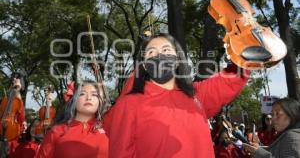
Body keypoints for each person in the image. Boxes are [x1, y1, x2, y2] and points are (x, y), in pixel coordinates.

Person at [109, 31, 250, 158]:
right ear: (144, 65)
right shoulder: (129, 104)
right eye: (151, 52)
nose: (159, 55)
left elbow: (234, 78)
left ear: (177, 60)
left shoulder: (197, 94)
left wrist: (244, 44)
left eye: (166, 50)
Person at [36, 81, 109, 158]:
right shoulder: (57, 131)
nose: (89, 98)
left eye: (94, 94)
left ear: (100, 101)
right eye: (82, 94)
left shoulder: (109, 129)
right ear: (74, 100)